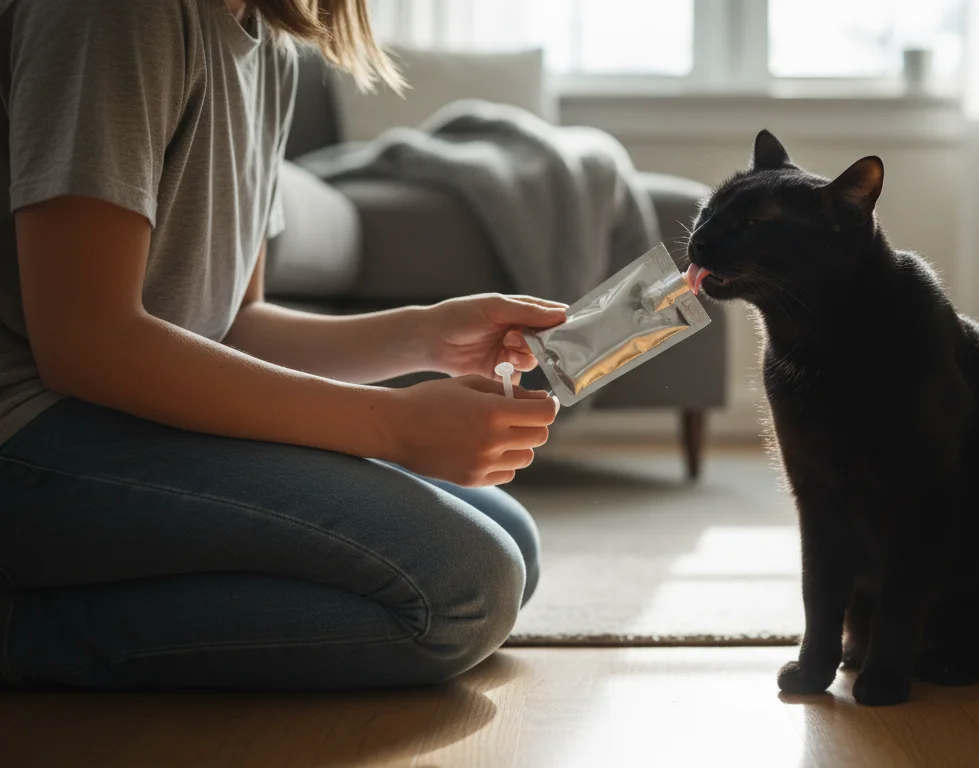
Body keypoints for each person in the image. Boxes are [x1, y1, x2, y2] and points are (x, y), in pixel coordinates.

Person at [0, 0, 564, 690]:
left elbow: (233, 323)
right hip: (30, 428)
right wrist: (390, 426)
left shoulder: (267, 37)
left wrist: (426, 336)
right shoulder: (118, 16)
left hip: (122, 416)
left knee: (514, 547)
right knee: (463, 590)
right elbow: (87, 344)